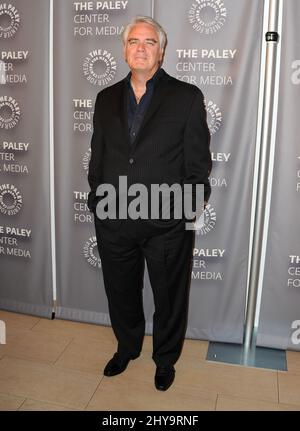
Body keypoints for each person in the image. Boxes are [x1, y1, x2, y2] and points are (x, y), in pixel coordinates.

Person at [88, 16, 212, 391]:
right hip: (114, 219)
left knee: (169, 298)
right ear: (124, 50)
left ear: (161, 51)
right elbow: (99, 156)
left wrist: (181, 215)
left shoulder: (187, 96)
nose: (140, 48)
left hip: (167, 224)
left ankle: (165, 359)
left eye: (149, 42)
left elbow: (198, 164)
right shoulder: (106, 97)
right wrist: (97, 199)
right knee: (120, 292)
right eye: (134, 41)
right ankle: (126, 348)